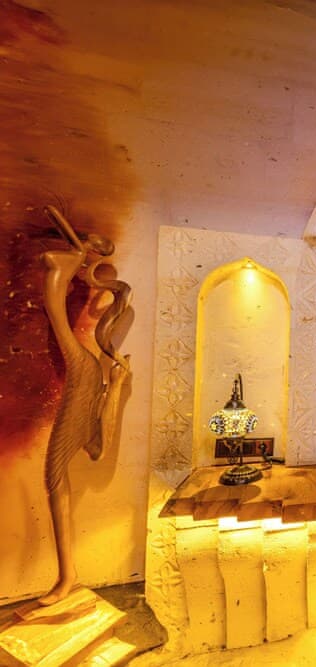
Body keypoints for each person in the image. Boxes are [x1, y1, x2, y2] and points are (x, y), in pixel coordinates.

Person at [37, 206, 131, 605]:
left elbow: (101, 440)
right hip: (87, 380)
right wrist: (115, 387)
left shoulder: (92, 442)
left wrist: (116, 386)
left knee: (54, 479)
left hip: (88, 381)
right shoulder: (93, 444)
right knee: (54, 479)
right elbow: (101, 442)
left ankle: (66, 576)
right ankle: (66, 576)